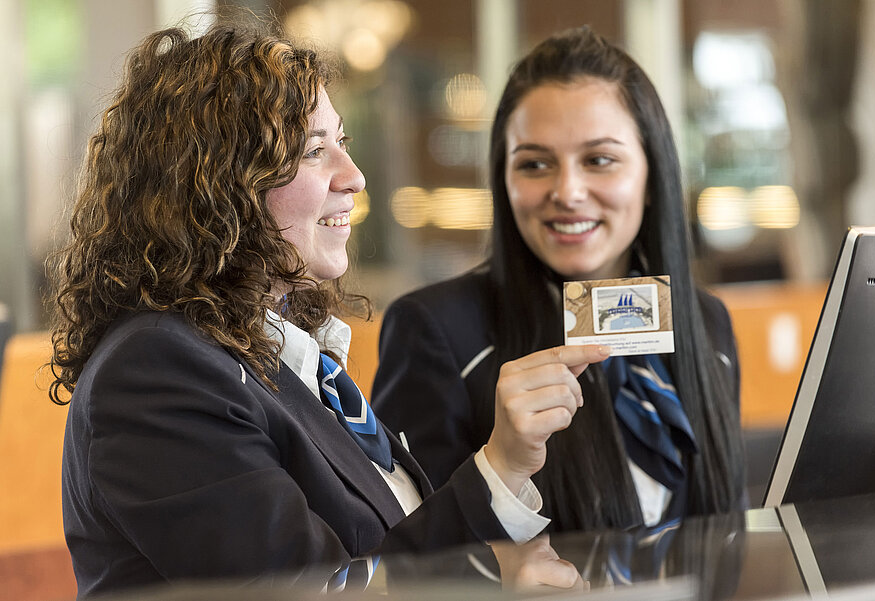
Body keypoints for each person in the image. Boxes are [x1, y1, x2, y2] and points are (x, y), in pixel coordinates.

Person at [48, 20, 606, 597]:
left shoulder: (274, 351)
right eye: (315, 151)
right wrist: (498, 489)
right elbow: (317, 590)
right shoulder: (156, 370)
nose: (355, 177)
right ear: (215, 184)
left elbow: (392, 549)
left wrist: (506, 471)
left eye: (343, 142)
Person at [372, 26, 746, 533]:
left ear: (652, 175)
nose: (567, 191)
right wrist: (501, 469)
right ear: (504, 181)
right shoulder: (435, 330)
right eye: (535, 164)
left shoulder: (706, 323)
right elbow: (403, 557)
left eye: (599, 160)